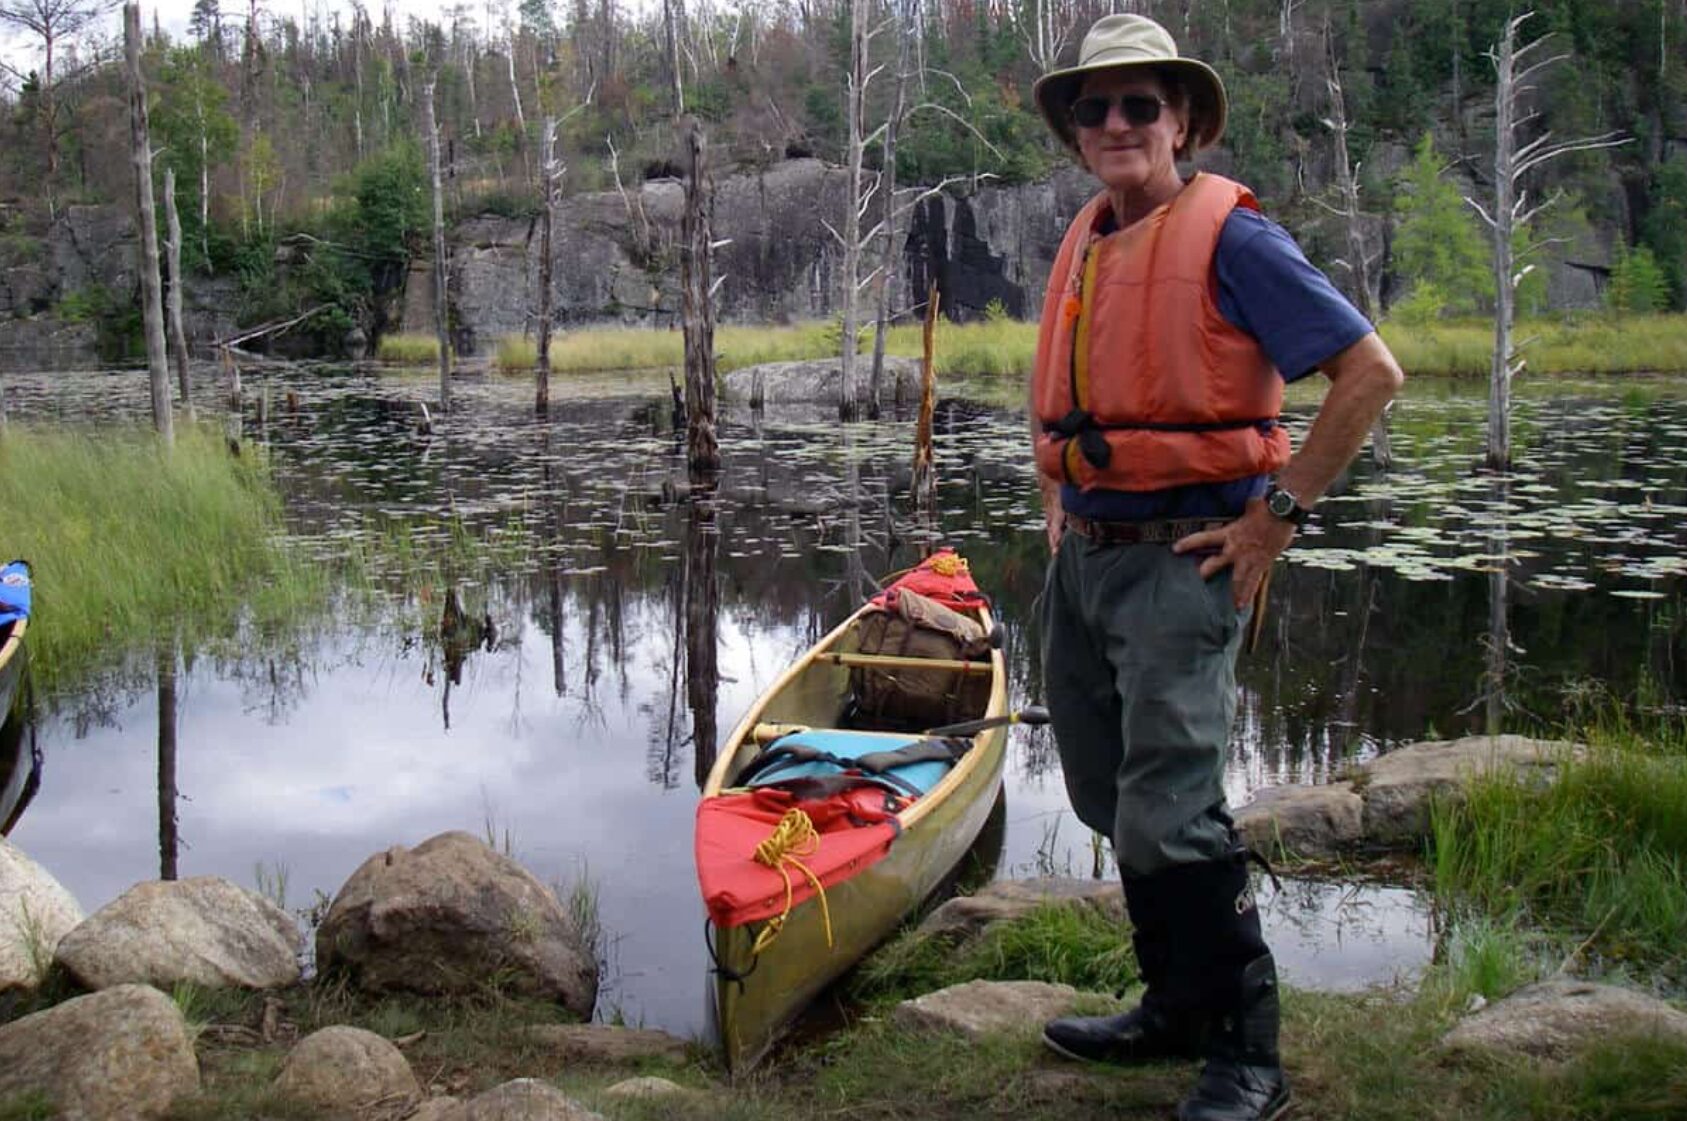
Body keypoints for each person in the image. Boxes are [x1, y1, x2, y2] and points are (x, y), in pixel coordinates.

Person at [1027, 14, 1404, 1121]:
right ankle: (1171, 1005)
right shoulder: (1088, 237)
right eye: (1093, 108)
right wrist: (1055, 500)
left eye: (1140, 104)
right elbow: (1066, 400)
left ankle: (1249, 1051)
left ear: (1181, 119)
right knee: (1105, 789)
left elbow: (1368, 374)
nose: (1115, 123)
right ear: (1075, 130)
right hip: (1087, 563)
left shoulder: (1232, 237)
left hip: (1182, 565)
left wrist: (1274, 520)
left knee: (1172, 809)